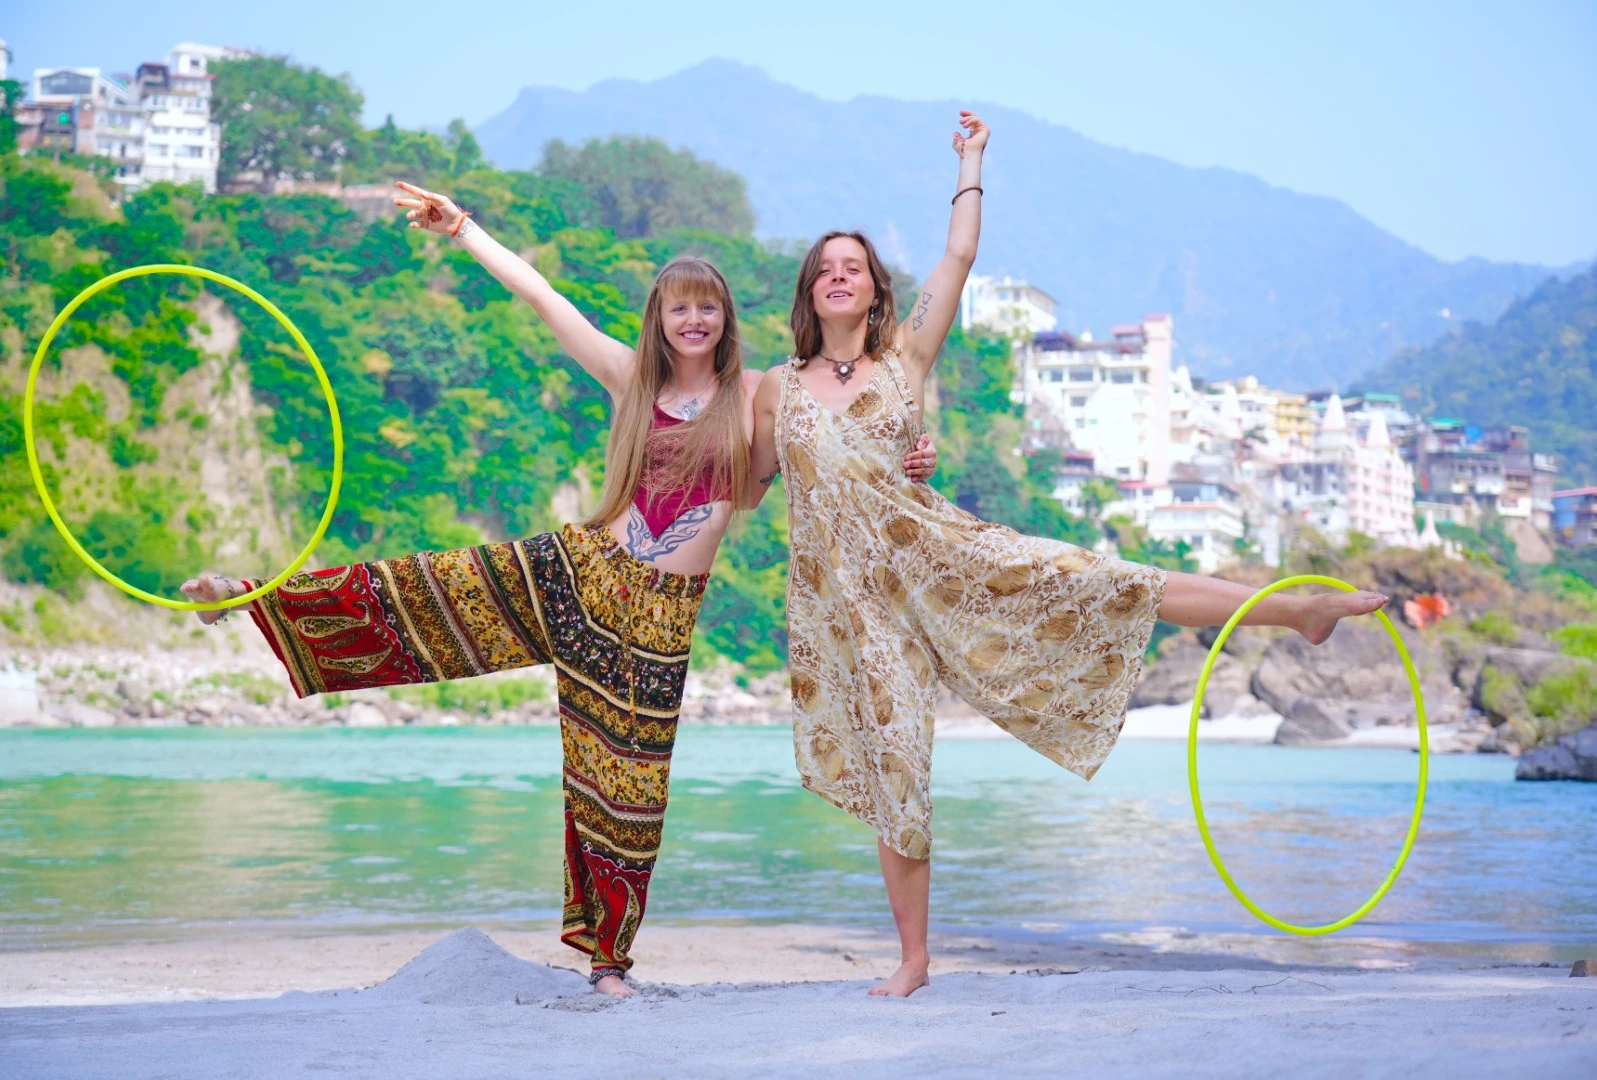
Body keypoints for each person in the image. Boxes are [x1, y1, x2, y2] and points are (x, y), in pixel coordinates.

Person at [180, 182, 938, 997]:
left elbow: (835, 436)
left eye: (706, 309)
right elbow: (541, 295)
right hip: (580, 576)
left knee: (625, 788)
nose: (693, 322)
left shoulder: (760, 394)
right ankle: (254, 597)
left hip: (660, 622)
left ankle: (608, 965)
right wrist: (462, 228)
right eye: (678, 309)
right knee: (424, 595)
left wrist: (907, 457)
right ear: (658, 319)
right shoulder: (629, 378)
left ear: (724, 320)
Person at [747, 111, 1388, 998]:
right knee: (900, 767)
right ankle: (914, 959)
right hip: (853, 608)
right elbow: (742, 486)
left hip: (945, 557)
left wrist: (970, 159)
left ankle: (1295, 609)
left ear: (874, 288)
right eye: (823, 268)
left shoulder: (905, 359)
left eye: (851, 265)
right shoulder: (775, 389)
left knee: (1106, 582)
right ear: (806, 293)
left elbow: (958, 257)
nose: (837, 275)